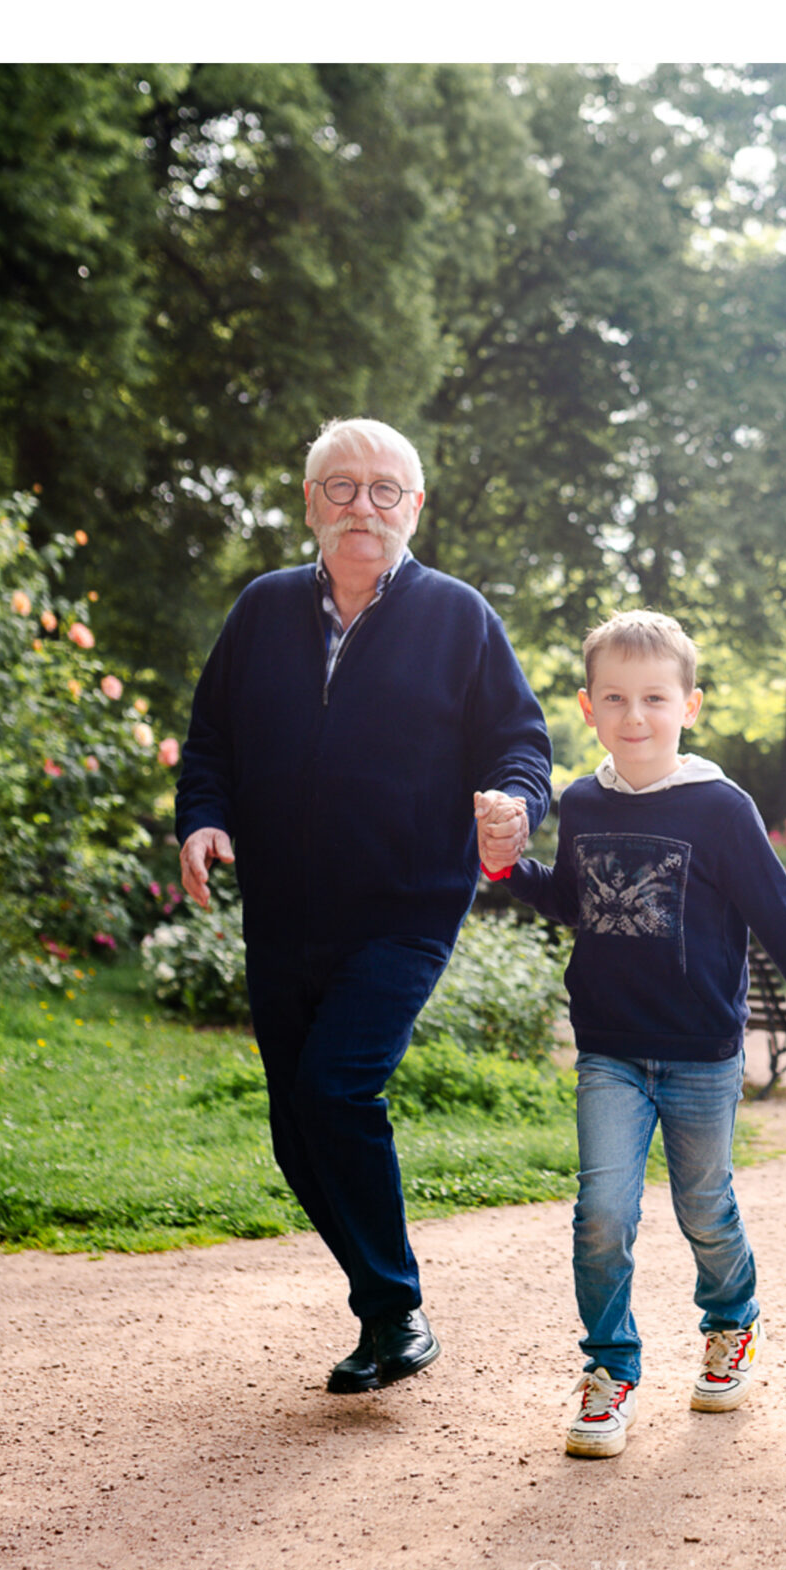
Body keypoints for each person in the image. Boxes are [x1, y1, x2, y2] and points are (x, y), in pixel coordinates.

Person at [174, 416, 553, 1395]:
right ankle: (389, 1312)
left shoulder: (459, 616)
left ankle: (393, 1311)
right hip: (284, 910)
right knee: (294, 1124)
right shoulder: (260, 611)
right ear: (309, 504)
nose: (363, 506)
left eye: (385, 490)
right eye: (340, 487)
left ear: (413, 508)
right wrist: (201, 820)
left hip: (405, 906)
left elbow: (518, 743)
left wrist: (514, 807)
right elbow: (208, 739)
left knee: (337, 1088)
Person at [501, 610, 786, 1459]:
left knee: (703, 1208)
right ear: (586, 706)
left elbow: (785, 924)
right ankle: (610, 1371)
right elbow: (578, 902)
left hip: (700, 1058)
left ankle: (732, 1323)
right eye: (615, 697)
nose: (634, 714)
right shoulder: (579, 801)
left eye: (654, 697)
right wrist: (504, 870)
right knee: (601, 1215)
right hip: (609, 1048)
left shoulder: (722, 809)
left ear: (690, 705)